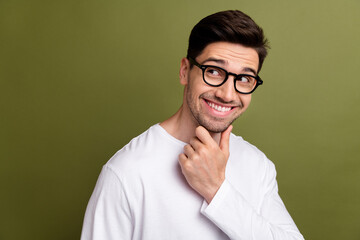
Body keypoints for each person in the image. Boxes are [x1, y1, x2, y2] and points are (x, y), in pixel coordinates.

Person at [81, 10, 304, 240]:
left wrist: (217, 191)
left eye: (244, 79)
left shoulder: (257, 165)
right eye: (214, 71)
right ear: (185, 71)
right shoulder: (126, 173)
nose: (227, 94)